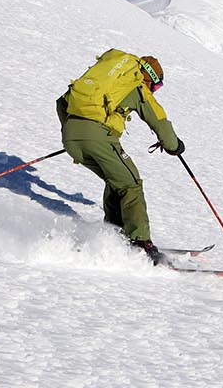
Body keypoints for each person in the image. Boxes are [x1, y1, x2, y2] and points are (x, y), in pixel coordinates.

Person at [56, 48, 183, 263]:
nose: (155, 90)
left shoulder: (108, 81)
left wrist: (76, 133)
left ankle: (114, 233)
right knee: (131, 183)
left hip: (71, 136)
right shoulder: (136, 85)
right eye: (157, 85)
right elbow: (158, 119)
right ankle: (140, 243)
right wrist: (174, 146)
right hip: (97, 137)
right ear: (150, 78)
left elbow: (62, 102)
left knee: (116, 180)